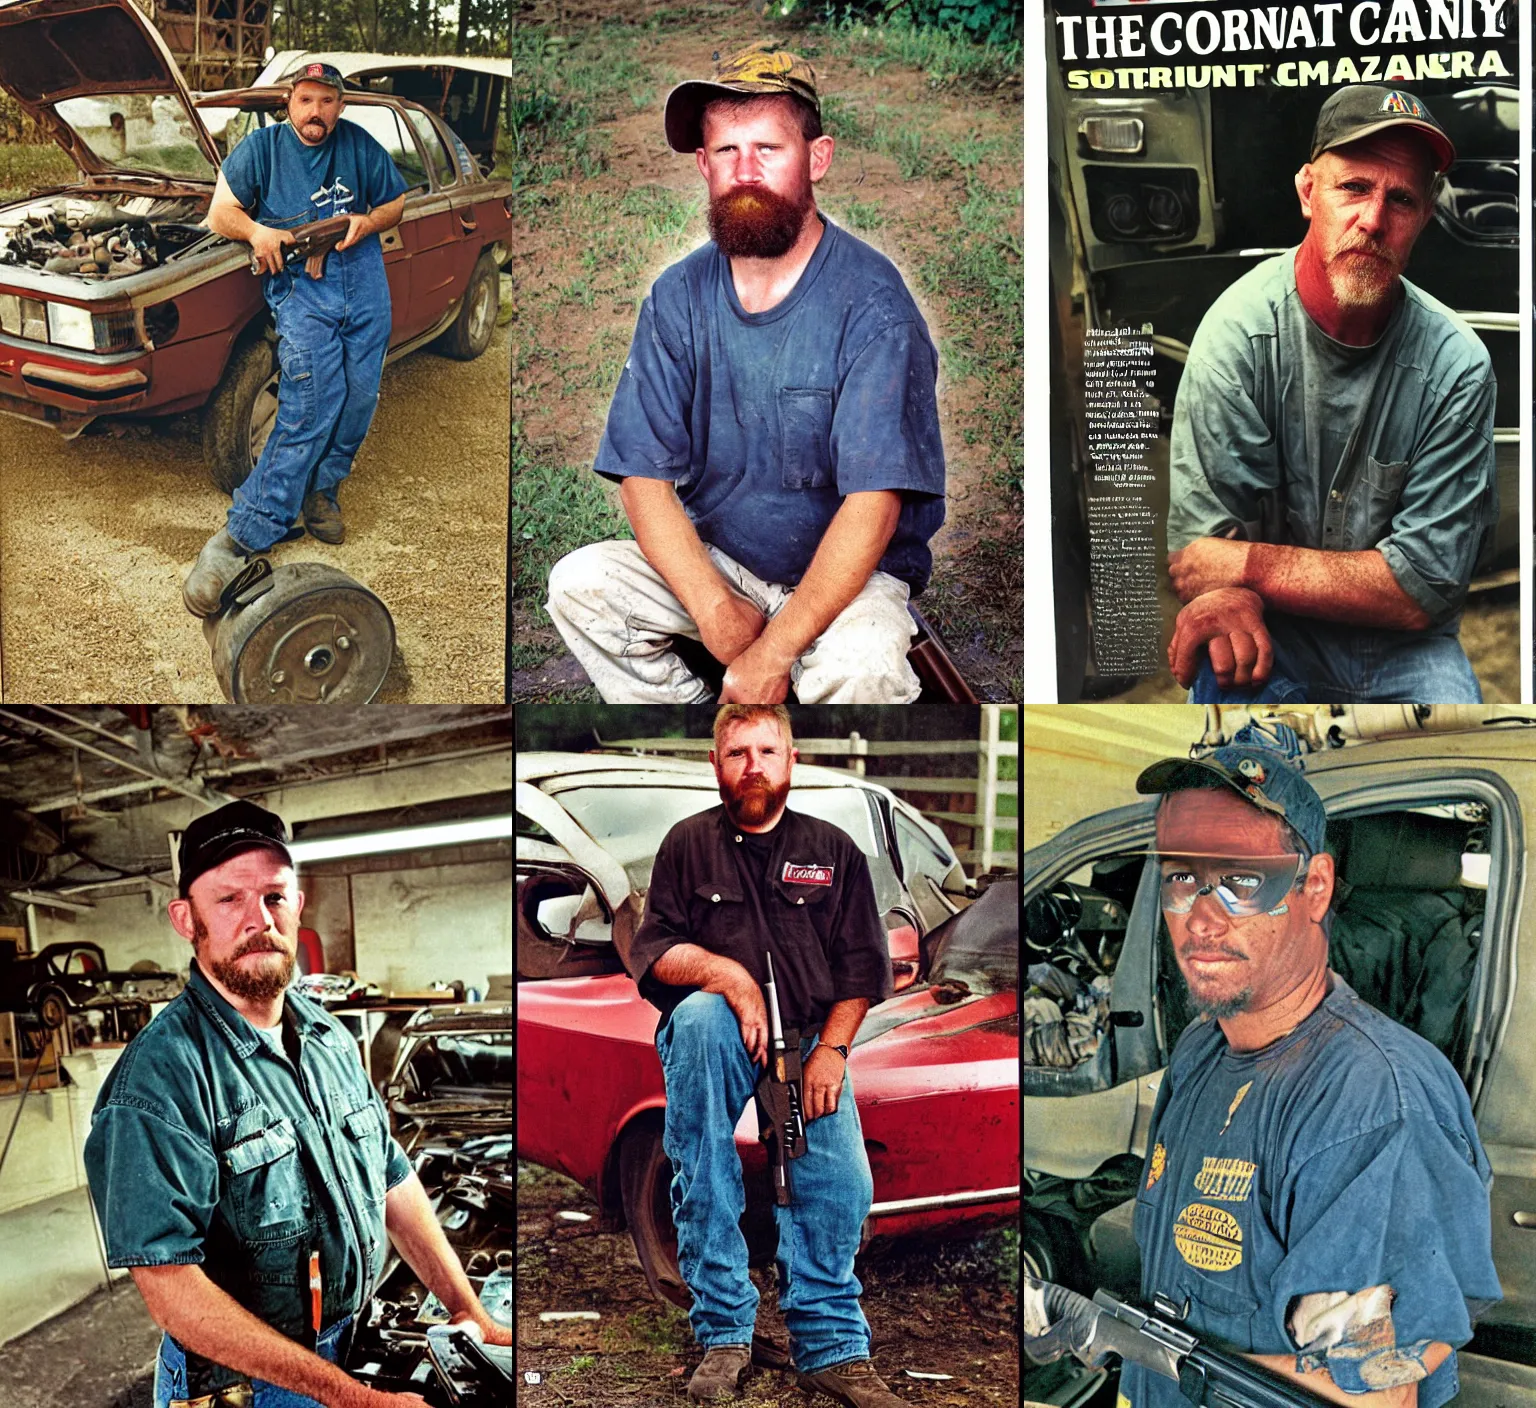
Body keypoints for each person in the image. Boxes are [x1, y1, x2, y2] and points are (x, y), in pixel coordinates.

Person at [1025, 724, 1501, 1407]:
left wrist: (1136, 1345)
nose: (1201, 918)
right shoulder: (1201, 1049)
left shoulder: (1373, 1102)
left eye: (1243, 881)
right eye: (1181, 878)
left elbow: (1374, 1391)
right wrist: (1107, 1335)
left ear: (1314, 887)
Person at [545, 44, 946, 704]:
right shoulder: (677, 296)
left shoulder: (873, 304)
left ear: (817, 158)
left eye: (769, 149)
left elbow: (875, 505)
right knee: (581, 587)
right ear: (703, 165)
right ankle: (701, 719)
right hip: (725, 564)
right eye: (728, 152)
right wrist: (719, 616)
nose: (746, 172)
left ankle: (800, 736)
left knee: (864, 667)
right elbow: (643, 480)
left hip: (849, 576)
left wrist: (778, 648)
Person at [83, 800, 511, 1407]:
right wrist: (349, 1398)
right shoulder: (157, 1080)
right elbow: (170, 1286)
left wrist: (470, 1312)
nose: (258, 918)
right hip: (246, 1387)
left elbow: (391, 1176)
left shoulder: (327, 1034)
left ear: (298, 906)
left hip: (348, 1349)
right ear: (186, 919)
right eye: (229, 900)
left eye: (275, 896)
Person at [1164, 85, 1497, 704]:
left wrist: (1248, 568)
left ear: (1424, 218)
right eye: (1353, 188)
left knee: (1449, 779)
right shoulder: (1239, 337)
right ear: (1308, 192)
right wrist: (1227, 591)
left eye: (1400, 199)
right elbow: (1201, 554)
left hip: (1407, 649)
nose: (1373, 220)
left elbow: (1422, 588)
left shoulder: (1456, 365)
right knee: (1223, 745)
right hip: (1274, 631)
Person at [621, 705, 906, 1404]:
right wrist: (734, 980)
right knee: (704, 1161)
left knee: (841, 1186)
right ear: (715, 765)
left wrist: (832, 1052)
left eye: (767, 750)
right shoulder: (686, 846)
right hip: (715, 1035)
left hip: (809, 1038)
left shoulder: (834, 851)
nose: (754, 765)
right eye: (738, 752)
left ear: (792, 759)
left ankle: (831, 1348)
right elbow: (656, 951)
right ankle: (723, 1335)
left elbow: (863, 970)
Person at [184, 62, 409, 616]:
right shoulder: (261, 149)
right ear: (290, 102)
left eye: (327, 101)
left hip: (363, 281)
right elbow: (220, 213)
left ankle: (323, 492)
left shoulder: (359, 144)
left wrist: (368, 222)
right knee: (309, 404)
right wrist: (258, 231)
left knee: (359, 399)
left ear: (340, 106)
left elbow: (395, 202)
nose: (317, 112)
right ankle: (246, 532)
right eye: (307, 100)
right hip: (302, 292)